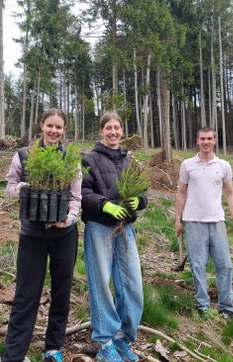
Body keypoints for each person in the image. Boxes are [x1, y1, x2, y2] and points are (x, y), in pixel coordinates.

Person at [2, 108, 82, 362]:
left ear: (64, 129)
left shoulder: (70, 159)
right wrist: (19, 190)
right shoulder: (24, 155)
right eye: (50, 126)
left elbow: (76, 197)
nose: (54, 131)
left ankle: (53, 348)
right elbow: (9, 187)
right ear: (41, 125)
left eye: (59, 127)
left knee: (61, 290)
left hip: (64, 235)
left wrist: (71, 216)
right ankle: (14, 354)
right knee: (27, 293)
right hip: (32, 233)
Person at [81, 113, 148, 362]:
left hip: (125, 228)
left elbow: (143, 194)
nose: (113, 132)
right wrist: (104, 205)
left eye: (117, 128)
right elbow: (83, 191)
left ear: (122, 131)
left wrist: (138, 201)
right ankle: (105, 342)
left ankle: (122, 337)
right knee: (101, 284)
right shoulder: (89, 159)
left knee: (132, 284)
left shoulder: (130, 163)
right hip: (99, 227)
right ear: (101, 131)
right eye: (108, 128)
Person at [175, 126, 233, 320]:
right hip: (194, 222)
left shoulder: (223, 166)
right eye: (202, 139)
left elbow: (230, 192)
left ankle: (225, 308)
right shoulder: (187, 165)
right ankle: (203, 306)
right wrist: (178, 219)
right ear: (197, 141)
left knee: (225, 265)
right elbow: (181, 192)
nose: (205, 142)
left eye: (209, 139)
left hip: (217, 221)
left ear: (215, 141)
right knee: (198, 266)